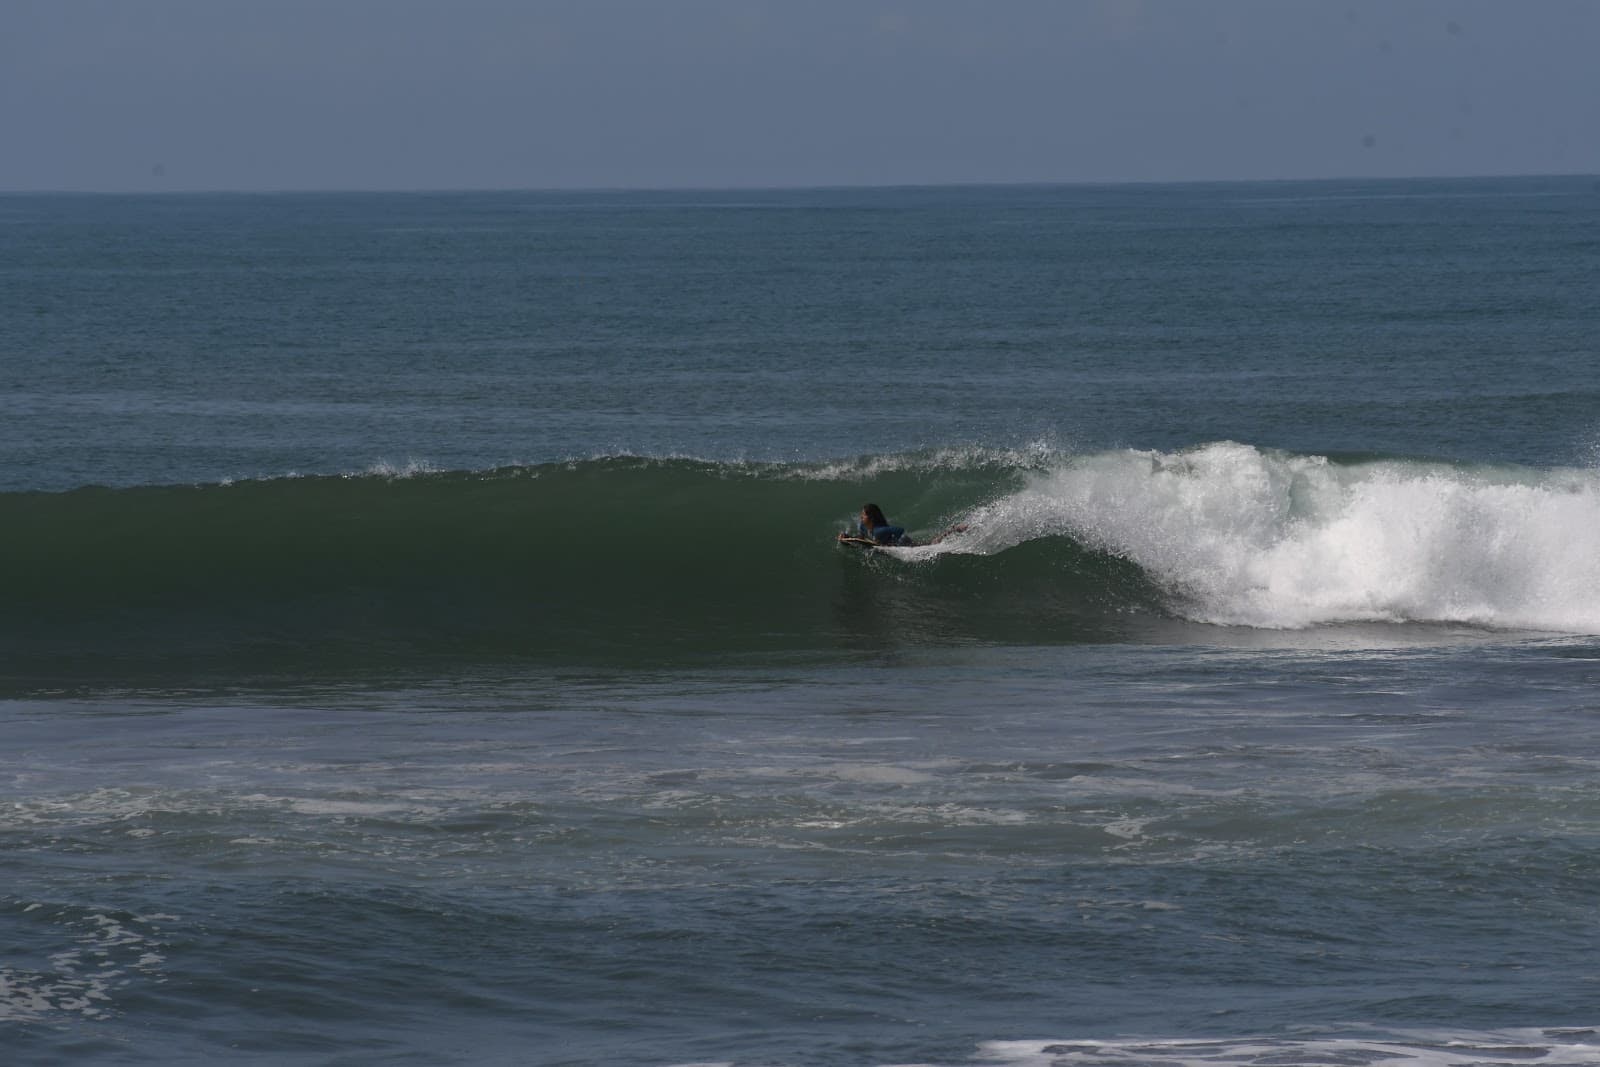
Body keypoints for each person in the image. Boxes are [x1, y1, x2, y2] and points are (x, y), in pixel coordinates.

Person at [840, 503, 916, 546]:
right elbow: (861, 538)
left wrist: (892, 544)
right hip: (885, 542)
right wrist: (847, 538)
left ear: (871, 518)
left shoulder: (879, 531)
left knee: (920, 547)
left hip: (903, 542)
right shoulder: (862, 526)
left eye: (864, 514)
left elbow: (900, 530)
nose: (861, 516)